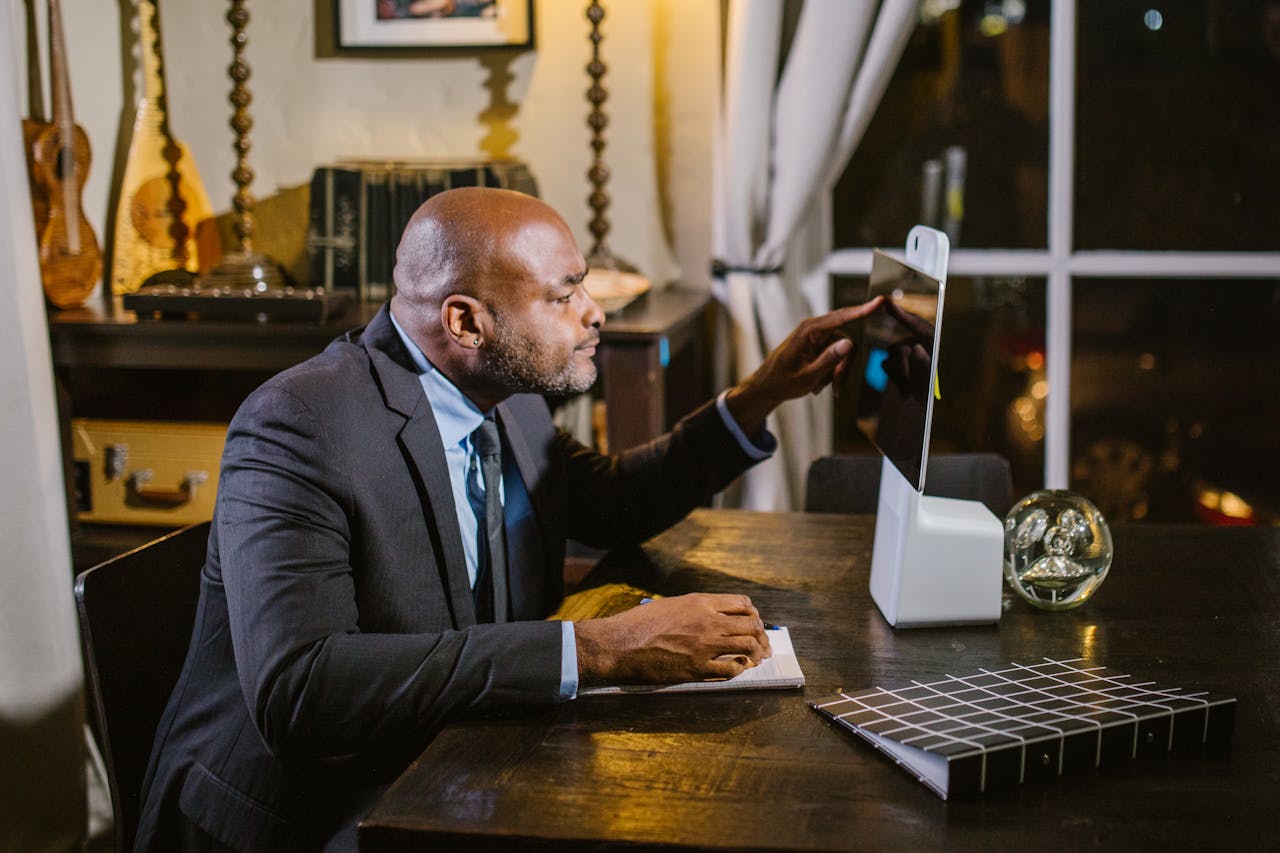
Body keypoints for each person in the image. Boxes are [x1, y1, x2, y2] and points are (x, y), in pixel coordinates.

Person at [134, 187, 883, 852]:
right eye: (564, 296)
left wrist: (760, 394)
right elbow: (304, 689)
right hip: (308, 814)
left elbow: (607, 500)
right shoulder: (300, 424)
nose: (594, 314)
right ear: (467, 321)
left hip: (450, 770)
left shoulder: (505, 393)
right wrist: (595, 650)